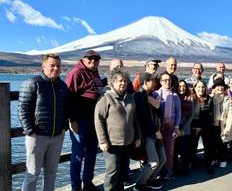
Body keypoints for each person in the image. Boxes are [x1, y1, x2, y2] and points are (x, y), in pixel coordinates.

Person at [18, 54, 68, 191]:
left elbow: (66, 108)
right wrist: (30, 131)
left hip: (57, 136)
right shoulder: (33, 83)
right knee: (32, 174)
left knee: (51, 174)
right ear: (43, 66)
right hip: (37, 136)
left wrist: (64, 127)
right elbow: (23, 108)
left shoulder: (63, 86)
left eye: (58, 65)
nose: (56, 68)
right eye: (52, 65)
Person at [94, 68, 141, 191]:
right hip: (112, 143)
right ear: (113, 82)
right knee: (112, 171)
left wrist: (138, 137)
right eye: (120, 81)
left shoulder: (130, 98)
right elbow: (98, 119)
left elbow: (135, 120)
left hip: (127, 142)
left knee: (123, 170)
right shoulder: (106, 98)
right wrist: (102, 141)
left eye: (125, 81)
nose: (123, 83)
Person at [66, 50, 103, 191]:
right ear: (83, 59)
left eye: (96, 59)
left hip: (94, 121)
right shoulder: (76, 73)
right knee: (77, 155)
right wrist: (72, 119)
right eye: (90, 58)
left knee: (92, 154)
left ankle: (87, 183)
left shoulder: (96, 73)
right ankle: (75, 187)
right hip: (80, 121)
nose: (93, 61)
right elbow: (68, 97)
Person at [133, 73, 166, 190]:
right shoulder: (138, 96)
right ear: (146, 82)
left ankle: (150, 180)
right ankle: (139, 184)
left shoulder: (149, 95)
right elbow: (143, 117)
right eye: (152, 81)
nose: (155, 83)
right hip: (148, 134)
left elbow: (157, 114)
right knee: (153, 162)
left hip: (155, 132)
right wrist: (156, 130)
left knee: (162, 159)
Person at [153, 72, 181, 179]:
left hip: (171, 125)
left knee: (169, 150)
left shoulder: (175, 96)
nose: (167, 82)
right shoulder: (156, 94)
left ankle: (169, 171)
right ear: (160, 82)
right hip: (160, 126)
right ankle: (159, 172)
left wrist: (177, 127)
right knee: (159, 149)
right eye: (165, 80)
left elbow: (178, 113)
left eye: (169, 80)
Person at [189, 80, 214, 174]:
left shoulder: (209, 99)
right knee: (192, 146)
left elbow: (210, 115)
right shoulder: (191, 98)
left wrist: (201, 126)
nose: (201, 89)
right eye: (198, 87)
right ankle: (191, 163)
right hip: (193, 125)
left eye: (203, 87)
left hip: (205, 125)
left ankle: (208, 164)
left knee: (208, 146)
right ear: (194, 88)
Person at [211, 78, 232, 168]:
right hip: (214, 124)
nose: (220, 88)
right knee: (214, 143)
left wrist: (228, 128)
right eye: (218, 86)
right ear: (215, 88)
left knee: (223, 143)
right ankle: (214, 158)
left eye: (222, 86)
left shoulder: (228, 100)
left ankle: (223, 159)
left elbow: (230, 115)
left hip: (223, 125)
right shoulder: (212, 98)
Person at [173, 80, 193, 175]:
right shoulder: (174, 97)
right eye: (180, 86)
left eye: (184, 86)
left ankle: (185, 168)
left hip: (185, 128)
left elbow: (191, 115)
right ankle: (175, 168)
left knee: (184, 150)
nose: (182, 88)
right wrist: (176, 128)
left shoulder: (190, 98)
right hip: (175, 128)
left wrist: (183, 129)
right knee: (175, 149)